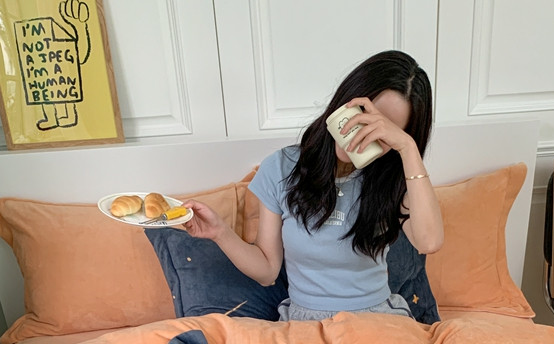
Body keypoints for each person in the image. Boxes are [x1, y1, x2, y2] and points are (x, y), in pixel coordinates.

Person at [181, 50, 443, 321]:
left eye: (385, 132)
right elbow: (267, 271)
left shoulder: (395, 178)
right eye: (365, 117)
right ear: (346, 102)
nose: (365, 136)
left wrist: (408, 148)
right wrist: (221, 233)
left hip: (376, 321)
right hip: (305, 322)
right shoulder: (281, 168)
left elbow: (429, 241)